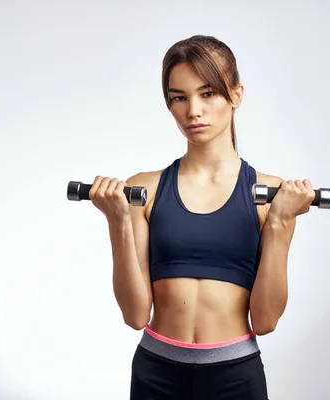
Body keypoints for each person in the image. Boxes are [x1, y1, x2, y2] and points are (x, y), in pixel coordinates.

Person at [88, 34, 315, 400]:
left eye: (208, 93)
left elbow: (266, 321)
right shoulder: (144, 191)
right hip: (156, 372)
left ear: (236, 95)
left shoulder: (271, 196)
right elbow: (134, 315)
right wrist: (117, 222)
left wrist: (280, 222)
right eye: (179, 97)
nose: (193, 110)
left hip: (234, 375)